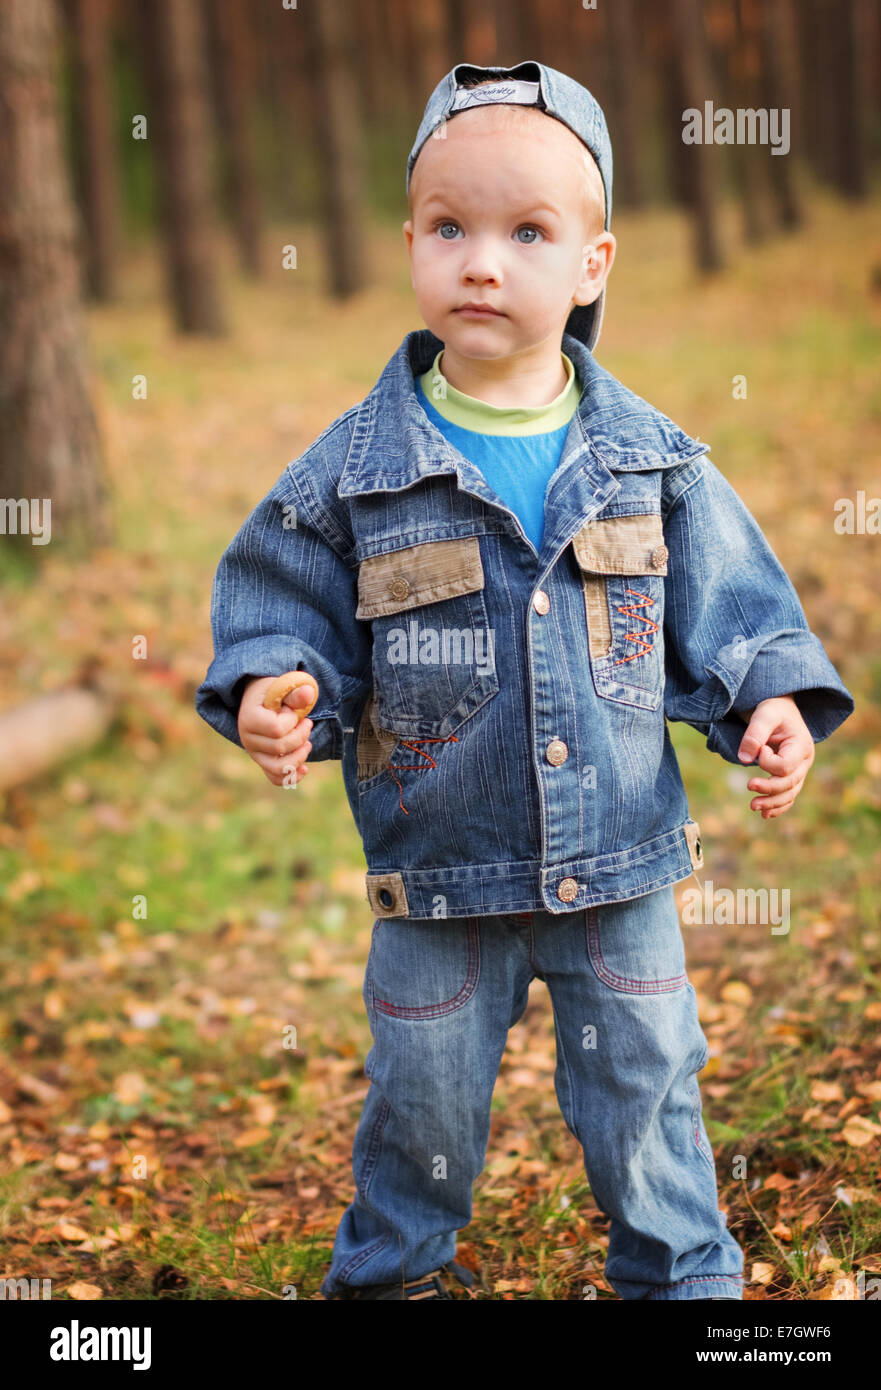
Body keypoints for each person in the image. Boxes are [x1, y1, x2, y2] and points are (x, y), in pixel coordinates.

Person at [194, 62, 855, 1301]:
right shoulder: (354, 469)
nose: (481, 262)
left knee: (645, 1092)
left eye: (525, 232)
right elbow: (279, 604)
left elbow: (733, 609)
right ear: (409, 244)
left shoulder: (647, 459)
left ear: (592, 263)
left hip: (619, 874)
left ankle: (679, 1276)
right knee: (418, 1110)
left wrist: (767, 700)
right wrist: (273, 686)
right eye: (449, 228)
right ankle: (392, 1273)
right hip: (439, 881)